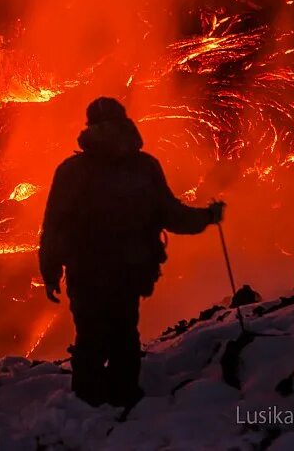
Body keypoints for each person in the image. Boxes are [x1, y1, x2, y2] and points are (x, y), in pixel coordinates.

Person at [39, 97, 225, 408]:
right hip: (131, 269)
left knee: (90, 336)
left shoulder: (71, 171)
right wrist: (207, 217)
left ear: (89, 127)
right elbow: (172, 215)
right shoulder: (145, 166)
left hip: (86, 271)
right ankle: (125, 399)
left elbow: (54, 225)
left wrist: (50, 271)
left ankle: (87, 405)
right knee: (125, 332)